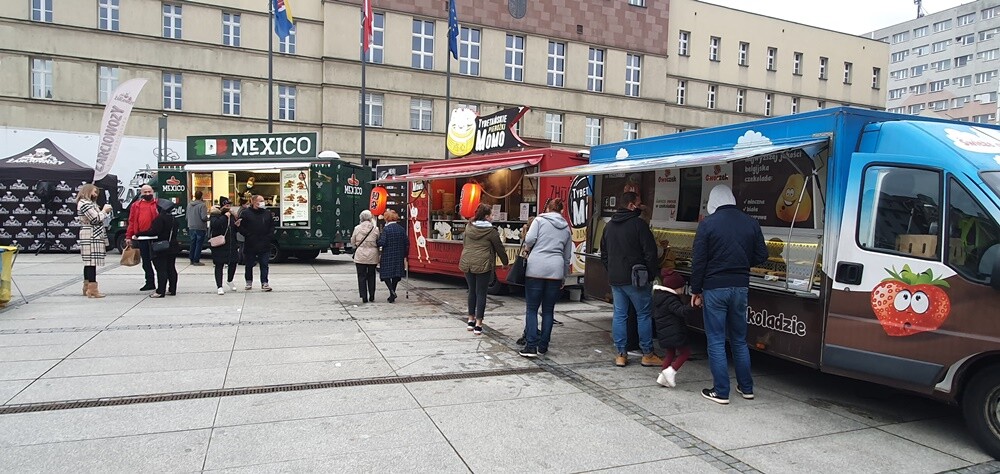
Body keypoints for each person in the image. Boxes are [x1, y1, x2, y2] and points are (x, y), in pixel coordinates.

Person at [690, 185, 768, 405]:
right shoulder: (751, 222)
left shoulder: (707, 224)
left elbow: (699, 261)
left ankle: (721, 391)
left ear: (713, 201)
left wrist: (696, 289)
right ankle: (746, 388)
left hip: (715, 287)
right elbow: (762, 255)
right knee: (739, 340)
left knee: (716, 340)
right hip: (740, 287)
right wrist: (742, 263)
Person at [600, 191, 663, 368]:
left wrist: (612, 270)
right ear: (631, 205)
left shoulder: (609, 226)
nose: (641, 206)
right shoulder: (639, 225)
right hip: (637, 279)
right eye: (639, 203)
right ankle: (647, 354)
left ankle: (621, 354)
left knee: (620, 315)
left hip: (616, 278)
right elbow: (650, 252)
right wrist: (650, 275)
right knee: (644, 315)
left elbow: (604, 253)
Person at [518, 198, 574, 358]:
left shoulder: (539, 220)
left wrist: (530, 247)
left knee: (532, 309)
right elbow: (567, 256)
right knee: (548, 310)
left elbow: (529, 240)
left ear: (548, 208)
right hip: (555, 270)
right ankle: (543, 346)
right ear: (561, 210)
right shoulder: (566, 228)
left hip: (536, 269)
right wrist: (563, 275)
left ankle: (531, 346)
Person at [458, 203, 509, 335]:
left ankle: (470, 320)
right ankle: (478, 324)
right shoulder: (491, 231)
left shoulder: (469, 227)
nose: (493, 217)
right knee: (481, 293)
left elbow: (465, 243)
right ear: (486, 216)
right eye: (491, 214)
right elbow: (499, 248)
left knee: (471, 291)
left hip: (467, 262)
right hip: (483, 263)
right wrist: (505, 262)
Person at [653, 269, 694, 388]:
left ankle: (662, 377)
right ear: (675, 288)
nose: (683, 290)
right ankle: (671, 371)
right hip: (675, 331)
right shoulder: (671, 299)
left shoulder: (659, 297)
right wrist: (693, 305)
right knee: (685, 353)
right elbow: (681, 311)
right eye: (681, 287)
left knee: (670, 353)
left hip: (664, 332)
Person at [76, 183, 113, 298]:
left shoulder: (89, 203)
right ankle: (92, 289)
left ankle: (87, 287)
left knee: (89, 262)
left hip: (92, 233)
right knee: (91, 262)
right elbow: (95, 219)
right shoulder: (85, 204)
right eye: (94, 192)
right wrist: (104, 211)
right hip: (91, 234)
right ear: (87, 191)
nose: (96, 194)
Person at [139, 199, 180, 298]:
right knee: (171, 268)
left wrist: (139, 234)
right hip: (172, 246)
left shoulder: (160, 219)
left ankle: (160, 291)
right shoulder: (174, 219)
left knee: (161, 269)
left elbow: (154, 232)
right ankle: (172, 289)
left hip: (161, 247)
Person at [237, 194, 275, 291]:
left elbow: (272, 226)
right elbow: (241, 227)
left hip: (264, 243)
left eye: (263, 200)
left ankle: (264, 282)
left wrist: (269, 237)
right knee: (249, 264)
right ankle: (248, 281)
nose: (263, 202)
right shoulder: (246, 213)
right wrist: (248, 235)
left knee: (264, 264)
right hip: (251, 243)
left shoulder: (267, 213)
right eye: (260, 200)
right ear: (254, 202)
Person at [125, 184, 159, 291]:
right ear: (141, 193)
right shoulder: (135, 205)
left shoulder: (158, 204)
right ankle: (149, 282)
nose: (148, 194)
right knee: (146, 262)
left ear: (153, 192)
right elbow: (131, 221)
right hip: (141, 238)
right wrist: (129, 236)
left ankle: (161, 284)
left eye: (149, 192)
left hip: (156, 237)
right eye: (145, 192)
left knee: (158, 262)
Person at [209, 197, 239, 295]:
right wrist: (225, 217)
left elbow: (234, 229)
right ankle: (219, 286)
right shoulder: (215, 214)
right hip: (219, 243)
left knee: (233, 262)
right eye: (226, 205)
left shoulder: (232, 215)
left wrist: (237, 225)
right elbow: (215, 225)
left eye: (229, 205)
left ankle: (230, 280)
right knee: (219, 264)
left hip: (231, 243)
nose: (228, 207)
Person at [377, 209, 408, 303]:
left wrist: (377, 242)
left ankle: (391, 291)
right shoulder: (401, 229)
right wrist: (405, 254)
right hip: (399, 254)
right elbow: (406, 242)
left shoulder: (386, 229)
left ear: (386, 219)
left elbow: (382, 242)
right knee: (396, 275)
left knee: (385, 274)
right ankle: (392, 294)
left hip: (388, 255)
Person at [351, 210, 381, 303]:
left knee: (361, 276)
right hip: (372, 255)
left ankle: (364, 296)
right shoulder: (375, 229)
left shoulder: (357, 228)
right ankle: (372, 295)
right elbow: (378, 240)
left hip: (360, 255)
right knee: (371, 275)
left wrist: (355, 246)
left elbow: (353, 241)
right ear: (370, 218)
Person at [186, 190, 209, 266]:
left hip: (191, 226)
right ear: (201, 196)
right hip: (200, 227)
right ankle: (196, 260)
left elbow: (187, 217)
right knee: (199, 244)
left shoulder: (189, 205)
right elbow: (203, 217)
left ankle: (191, 259)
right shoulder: (202, 205)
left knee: (192, 243)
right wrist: (208, 218)